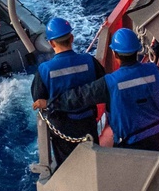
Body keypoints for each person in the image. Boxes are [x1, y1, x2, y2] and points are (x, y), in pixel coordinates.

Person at [52, 28, 159, 151]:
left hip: (130, 145)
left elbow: (80, 97)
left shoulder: (110, 82)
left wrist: (50, 102)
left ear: (115, 53)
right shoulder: (156, 71)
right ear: (137, 50)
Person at [31, 18, 104, 166]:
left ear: (51, 43)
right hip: (88, 123)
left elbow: (38, 98)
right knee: (93, 160)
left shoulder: (45, 70)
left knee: (67, 165)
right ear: (72, 38)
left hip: (62, 129)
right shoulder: (89, 61)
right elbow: (102, 86)